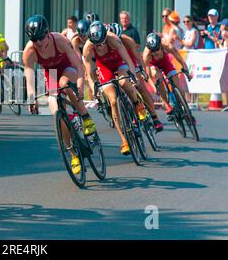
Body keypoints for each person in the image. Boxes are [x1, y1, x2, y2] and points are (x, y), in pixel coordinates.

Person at [23, 15, 97, 175]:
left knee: (65, 84)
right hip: (51, 73)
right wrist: (31, 98)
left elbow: (78, 64)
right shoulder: (29, 50)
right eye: (35, 40)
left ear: (48, 32)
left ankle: (85, 117)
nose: (39, 43)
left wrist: (79, 86)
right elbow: (29, 75)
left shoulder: (60, 40)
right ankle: (73, 154)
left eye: (41, 38)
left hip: (68, 68)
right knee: (56, 110)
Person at [82, 21, 146, 156]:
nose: (98, 47)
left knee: (123, 83)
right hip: (104, 67)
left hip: (119, 62)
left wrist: (133, 76)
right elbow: (89, 72)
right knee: (112, 101)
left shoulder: (114, 39)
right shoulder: (87, 46)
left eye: (101, 43)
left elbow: (128, 60)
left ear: (105, 37)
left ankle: (137, 103)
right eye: (96, 44)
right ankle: (124, 140)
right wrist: (93, 87)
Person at [108, 23, 163, 132]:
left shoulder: (128, 41)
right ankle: (128, 113)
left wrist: (142, 71)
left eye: (118, 39)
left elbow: (138, 58)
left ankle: (154, 117)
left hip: (129, 62)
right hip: (114, 65)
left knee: (140, 86)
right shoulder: (105, 43)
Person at [143, 33, 192, 116]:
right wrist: (154, 87)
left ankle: (185, 108)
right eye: (153, 51)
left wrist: (186, 70)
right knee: (158, 77)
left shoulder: (167, 45)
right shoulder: (146, 55)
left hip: (165, 62)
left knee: (177, 84)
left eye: (157, 49)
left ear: (160, 45)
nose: (155, 52)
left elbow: (180, 60)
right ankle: (167, 105)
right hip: (153, 66)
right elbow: (149, 76)